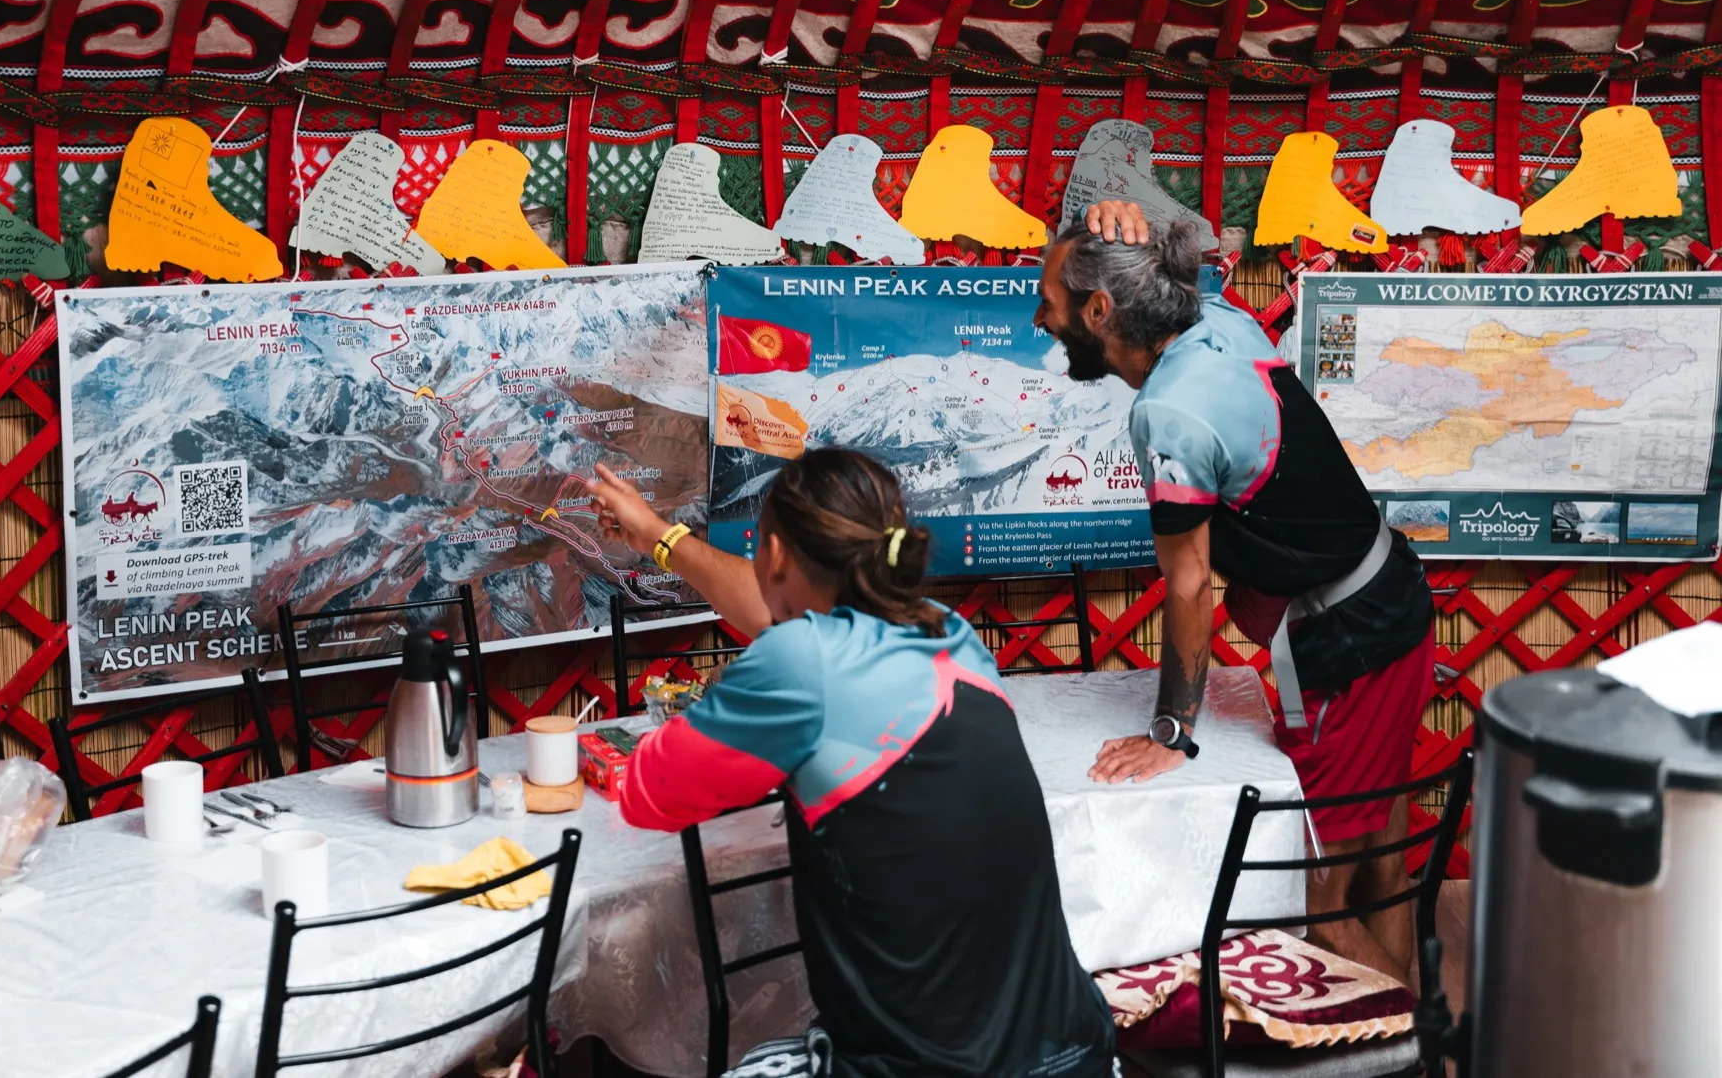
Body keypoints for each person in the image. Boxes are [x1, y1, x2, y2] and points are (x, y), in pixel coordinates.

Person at [586, 449, 1115, 1078]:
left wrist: (726, 710)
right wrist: (657, 535)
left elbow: (649, 794)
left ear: (773, 555)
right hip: (1077, 1050)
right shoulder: (950, 633)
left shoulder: (799, 661)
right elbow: (785, 622)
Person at [1036, 203, 1435, 983]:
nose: (1040, 318)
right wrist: (1117, 208)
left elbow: (1189, 581)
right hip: (1395, 602)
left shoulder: (1169, 411)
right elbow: (1169, 255)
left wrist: (1171, 730)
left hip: (1351, 649)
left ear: (1099, 309)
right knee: (1380, 866)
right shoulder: (1217, 319)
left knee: (1311, 898)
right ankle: (1415, 1032)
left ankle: (1416, 1043)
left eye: (1048, 302)